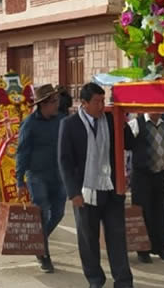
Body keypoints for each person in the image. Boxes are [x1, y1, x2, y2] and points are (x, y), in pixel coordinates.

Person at [58, 82, 133, 288]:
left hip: (111, 189)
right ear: (84, 103)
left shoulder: (111, 119)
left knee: (117, 236)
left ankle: (124, 281)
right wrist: (73, 192)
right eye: (97, 102)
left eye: (103, 101)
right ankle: (95, 279)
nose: (101, 106)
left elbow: (130, 143)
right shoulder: (70, 124)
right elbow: (65, 161)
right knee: (88, 239)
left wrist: (123, 122)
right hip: (85, 192)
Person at [16, 84, 66, 273]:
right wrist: (20, 181)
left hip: (59, 175)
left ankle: (38, 241)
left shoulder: (62, 120)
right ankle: (44, 254)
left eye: (57, 101)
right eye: (54, 102)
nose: (57, 104)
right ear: (43, 104)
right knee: (42, 213)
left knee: (58, 213)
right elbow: (22, 153)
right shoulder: (29, 124)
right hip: (37, 176)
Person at [124, 112, 164, 264]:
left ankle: (160, 247)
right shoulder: (136, 124)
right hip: (142, 175)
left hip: (162, 174)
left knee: (162, 212)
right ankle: (143, 250)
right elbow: (127, 148)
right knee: (142, 212)